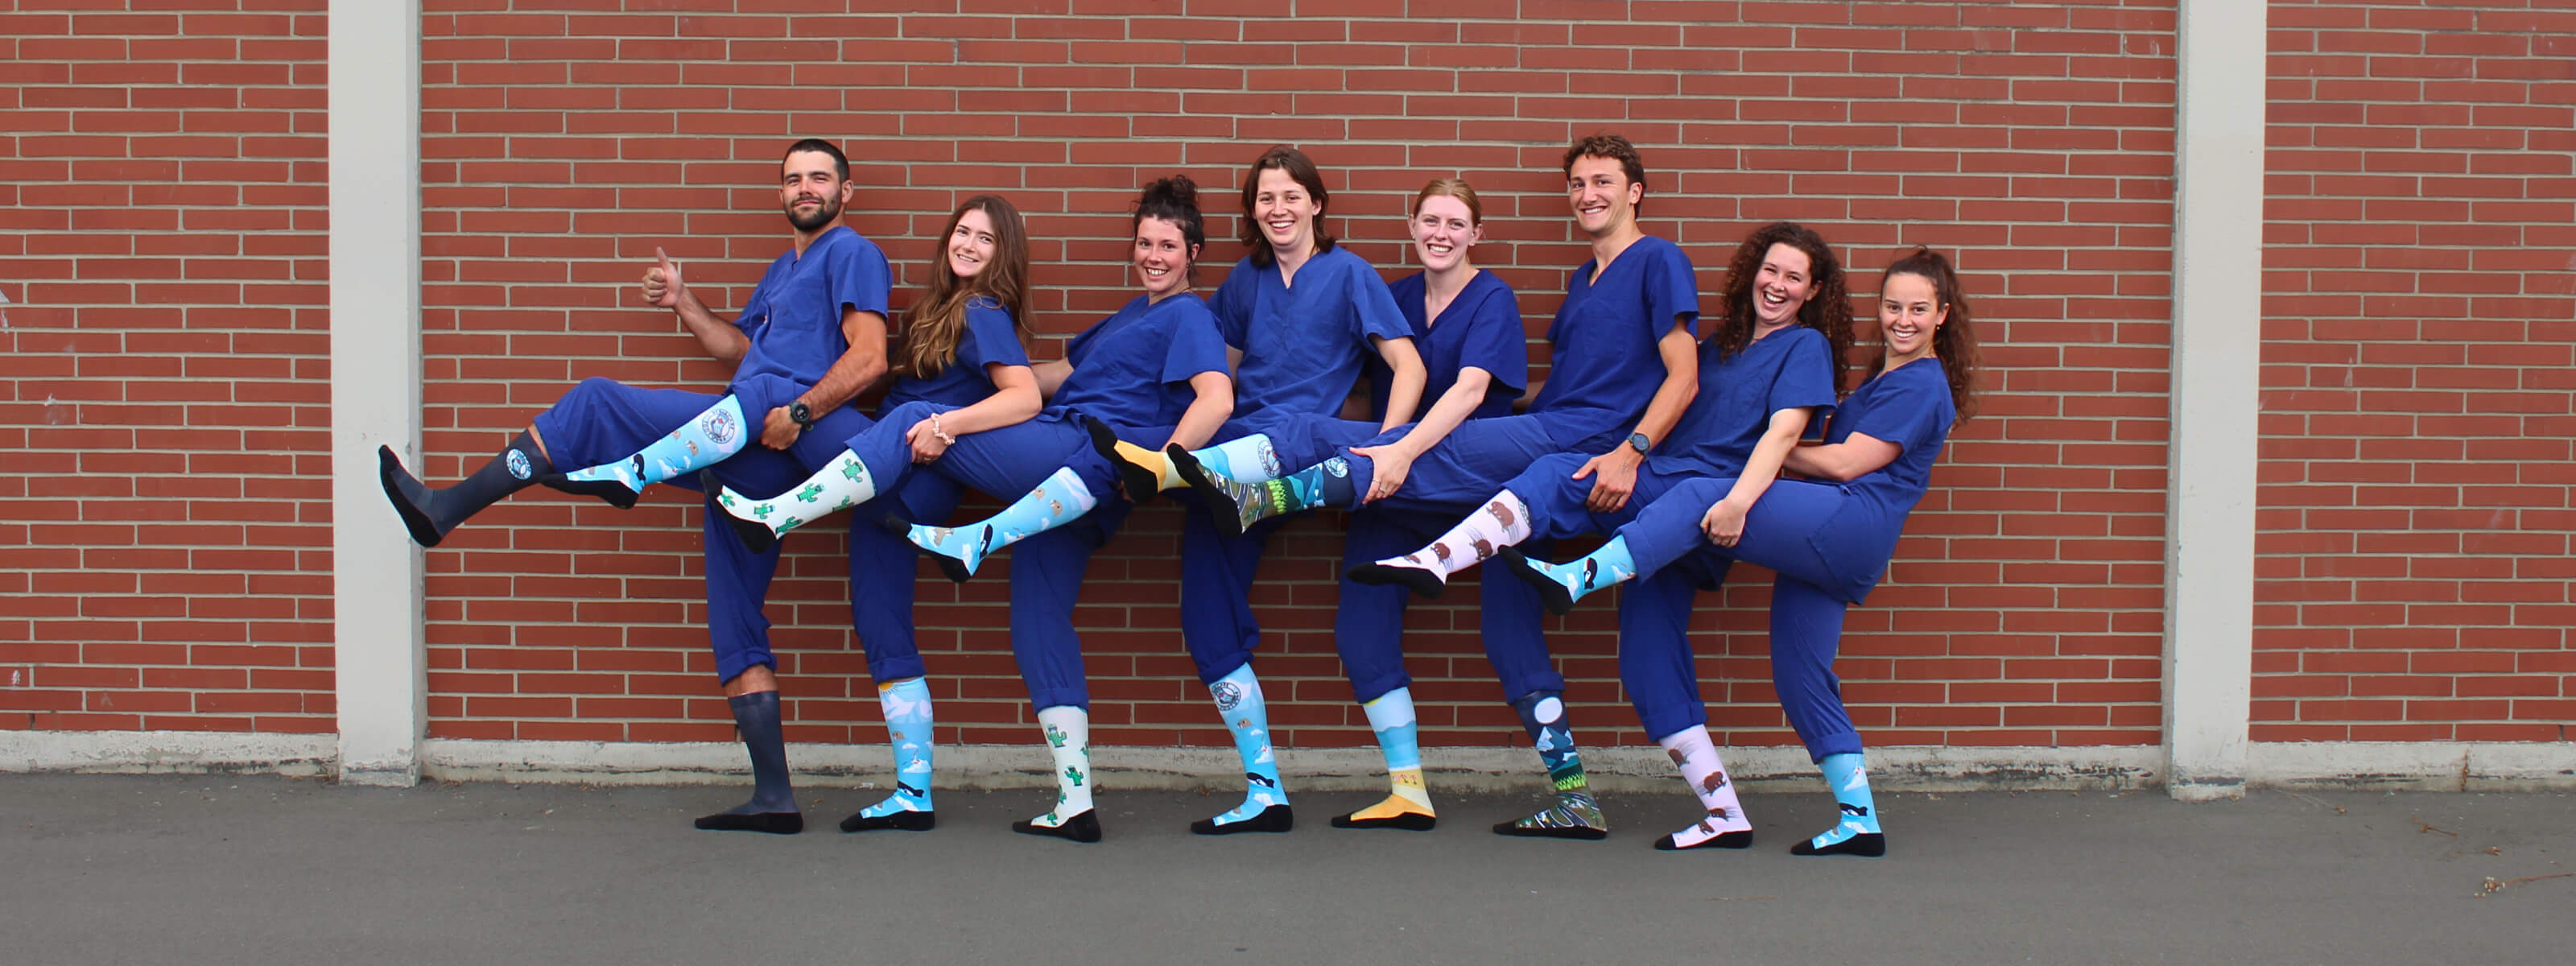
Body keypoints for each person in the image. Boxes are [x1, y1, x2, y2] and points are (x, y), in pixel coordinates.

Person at [375, 138, 914, 835]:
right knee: (735, 617)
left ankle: (450, 506)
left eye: (818, 178)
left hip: (775, 436)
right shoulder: (784, 268)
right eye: (792, 179)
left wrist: (803, 412)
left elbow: (870, 358)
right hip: (737, 439)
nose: (804, 188)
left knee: (596, 403)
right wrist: (686, 303)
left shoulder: (854, 253)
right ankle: (775, 797)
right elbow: (741, 351)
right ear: (780, 194)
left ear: (847, 191)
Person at [1174, 134, 1706, 839]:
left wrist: (1631, 449)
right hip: (1409, 478)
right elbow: (1536, 392)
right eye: (1577, 183)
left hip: (1461, 471)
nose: (1588, 195)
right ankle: (1415, 792)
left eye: (1602, 182)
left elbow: (1486, 388)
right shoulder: (1543, 285)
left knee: (1503, 628)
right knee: (1362, 627)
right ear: (1411, 227)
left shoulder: (1544, 286)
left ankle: (1257, 496)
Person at [714, 176, 1235, 842]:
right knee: (1037, 622)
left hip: (1081, 452)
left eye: (1168, 244)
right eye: (1144, 243)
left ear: (1194, 251)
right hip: (1063, 469)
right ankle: (1074, 804)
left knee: (916, 420)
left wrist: (1159, 467)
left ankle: (782, 514)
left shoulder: (1191, 314)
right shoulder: (1129, 315)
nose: (1153, 255)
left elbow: (1215, 399)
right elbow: (1051, 377)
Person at [1338, 221, 1854, 844]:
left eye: (1793, 277)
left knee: (1557, 472)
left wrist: (1736, 499)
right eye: (1770, 271)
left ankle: (1444, 560)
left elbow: (1781, 434)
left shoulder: (1805, 348)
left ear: (1813, 289)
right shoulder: (1723, 347)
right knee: (1646, 661)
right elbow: (1619, 394)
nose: (1776, 285)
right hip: (1657, 513)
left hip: (1694, 503)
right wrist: (1514, 406)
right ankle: (1724, 813)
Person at [1498, 246, 1981, 857]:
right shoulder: (1885, 377)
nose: (1902, 319)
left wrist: (1763, 442)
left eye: (1917, 309)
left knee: (1705, 490)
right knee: (1802, 675)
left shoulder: (1921, 383)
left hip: (1850, 523)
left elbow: (1846, 462)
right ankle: (1859, 818)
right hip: (1830, 545)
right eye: (1891, 306)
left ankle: (1578, 577)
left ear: (1942, 315)